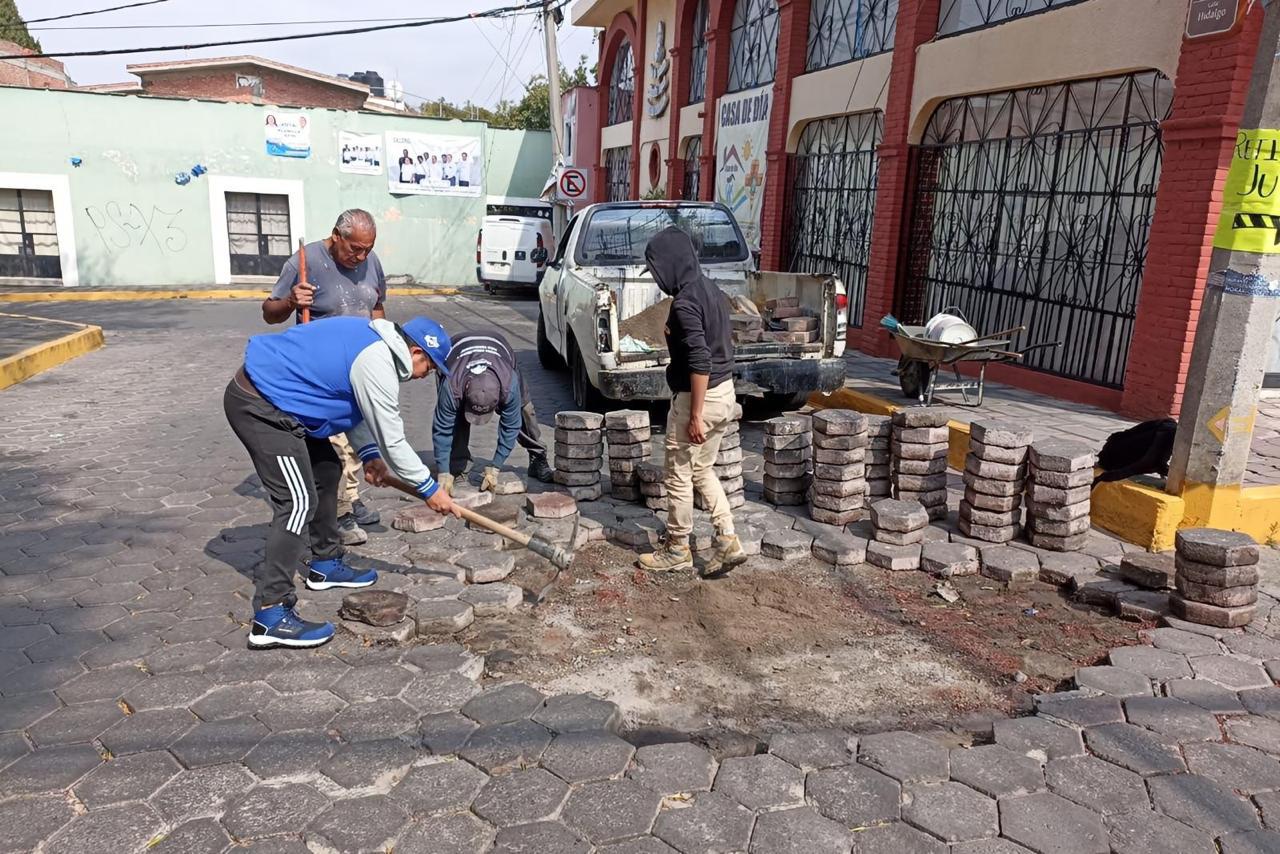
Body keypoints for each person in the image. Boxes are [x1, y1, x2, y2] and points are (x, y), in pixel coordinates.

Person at [224, 315, 457, 649]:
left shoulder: (377, 346)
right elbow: (394, 439)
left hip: (291, 404)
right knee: (297, 502)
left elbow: (352, 404)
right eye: (430, 367)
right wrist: (429, 489)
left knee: (328, 469)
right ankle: (271, 615)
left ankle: (324, 564)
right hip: (262, 404)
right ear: (416, 351)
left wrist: (369, 454)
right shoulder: (377, 361)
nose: (426, 376)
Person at [263, 209, 387, 546]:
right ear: (337, 236)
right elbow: (270, 313)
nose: (361, 256)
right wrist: (291, 300)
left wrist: (382, 340)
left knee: (359, 440)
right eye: (355, 249)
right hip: (321, 372)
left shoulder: (372, 261)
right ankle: (339, 512)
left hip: (359, 368)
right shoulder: (305, 261)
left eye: (367, 248)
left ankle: (351, 496)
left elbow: (377, 305)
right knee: (334, 445)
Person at [637, 227, 746, 578]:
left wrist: (695, 415)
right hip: (725, 394)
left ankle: (678, 548)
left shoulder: (684, 304)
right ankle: (728, 538)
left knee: (680, 476)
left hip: (699, 399)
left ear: (670, 264)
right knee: (702, 470)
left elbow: (700, 360)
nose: (656, 280)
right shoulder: (710, 290)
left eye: (656, 271)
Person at [431, 329, 555, 492]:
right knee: (456, 419)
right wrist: (443, 472)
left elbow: (510, 427)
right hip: (455, 354)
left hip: (499, 350)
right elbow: (442, 429)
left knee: (524, 410)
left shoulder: (509, 385)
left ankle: (537, 458)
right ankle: (458, 466)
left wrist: (495, 467)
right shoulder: (452, 386)